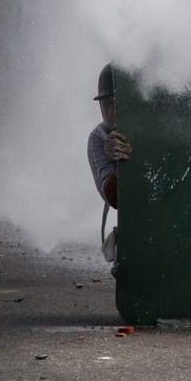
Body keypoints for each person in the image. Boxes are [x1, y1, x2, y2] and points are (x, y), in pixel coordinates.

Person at [86, 64, 131, 266]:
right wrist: (121, 165)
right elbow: (113, 199)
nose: (111, 112)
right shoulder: (98, 137)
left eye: (116, 102)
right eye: (106, 105)